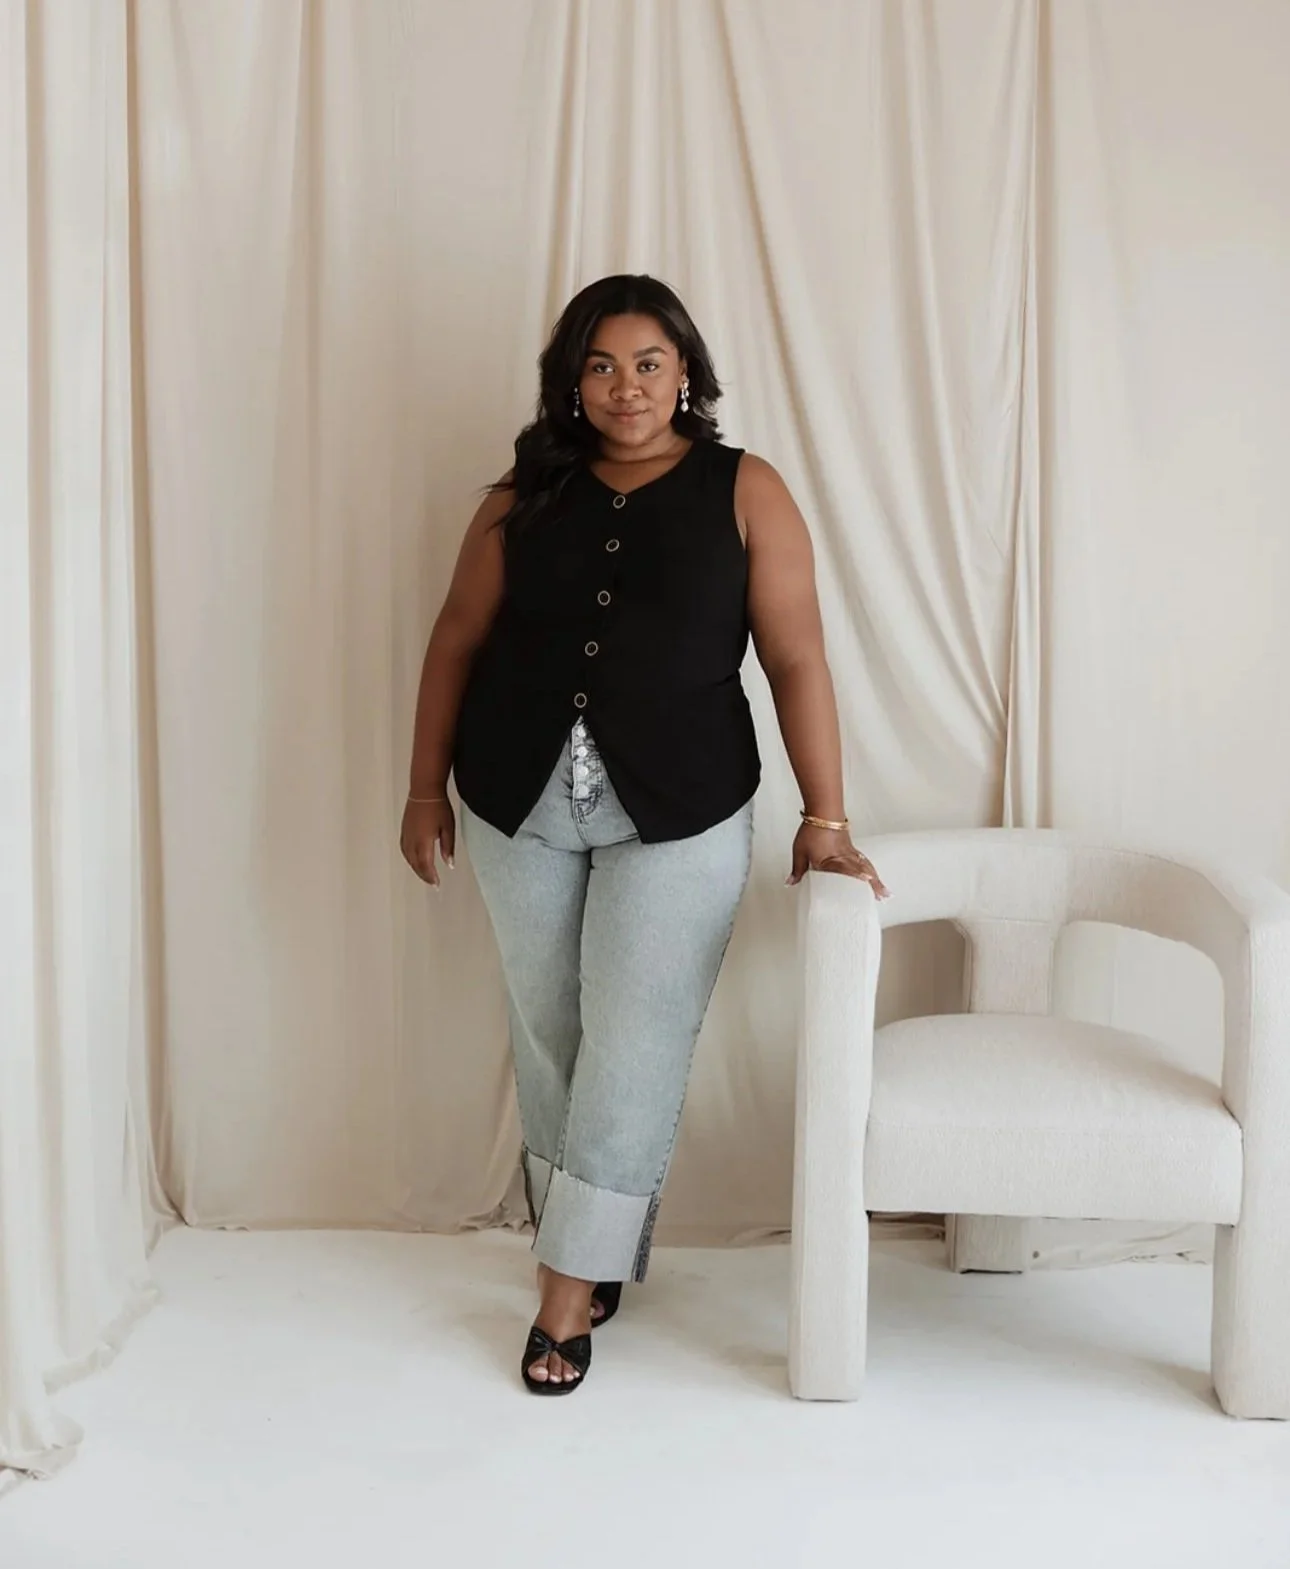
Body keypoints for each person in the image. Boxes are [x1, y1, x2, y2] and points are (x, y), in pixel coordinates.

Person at [400, 274, 889, 1396]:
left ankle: (566, 1286)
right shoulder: (519, 496)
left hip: (683, 807)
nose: (628, 387)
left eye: (650, 364)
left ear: (687, 375)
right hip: (517, 798)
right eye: (605, 365)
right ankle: (601, 1241)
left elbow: (800, 657)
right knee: (551, 1029)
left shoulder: (746, 489)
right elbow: (455, 638)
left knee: (635, 1038)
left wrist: (827, 816)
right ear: (573, 381)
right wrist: (424, 789)